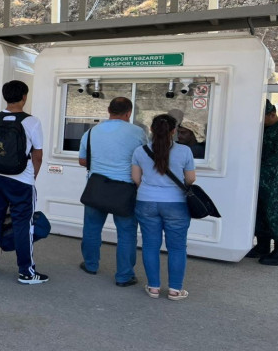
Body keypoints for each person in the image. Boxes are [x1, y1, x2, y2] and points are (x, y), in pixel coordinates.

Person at [0, 80, 47, 284]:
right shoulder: (32, 122)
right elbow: (38, 155)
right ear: (24, 97)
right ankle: (26, 272)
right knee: (23, 224)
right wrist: (32, 177)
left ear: (5, 96)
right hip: (21, 180)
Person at [78, 97, 147, 286]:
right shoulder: (137, 132)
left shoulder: (91, 132)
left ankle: (90, 265)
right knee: (126, 233)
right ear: (128, 113)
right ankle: (124, 276)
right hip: (125, 189)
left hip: (97, 186)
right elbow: (144, 159)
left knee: (91, 228)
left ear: (108, 110)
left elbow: (82, 160)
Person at [132, 114, 195, 300]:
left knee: (150, 245)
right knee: (177, 247)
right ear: (173, 131)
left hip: (146, 202)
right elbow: (191, 179)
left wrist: (149, 189)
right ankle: (175, 290)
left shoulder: (140, 151)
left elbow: (135, 178)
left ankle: (153, 288)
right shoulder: (184, 151)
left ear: (151, 129)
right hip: (176, 203)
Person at [251, 100, 278, 265]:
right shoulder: (262, 129)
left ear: (272, 114)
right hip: (260, 180)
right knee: (259, 213)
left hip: (276, 182)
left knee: (275, 214)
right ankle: (262, 246)